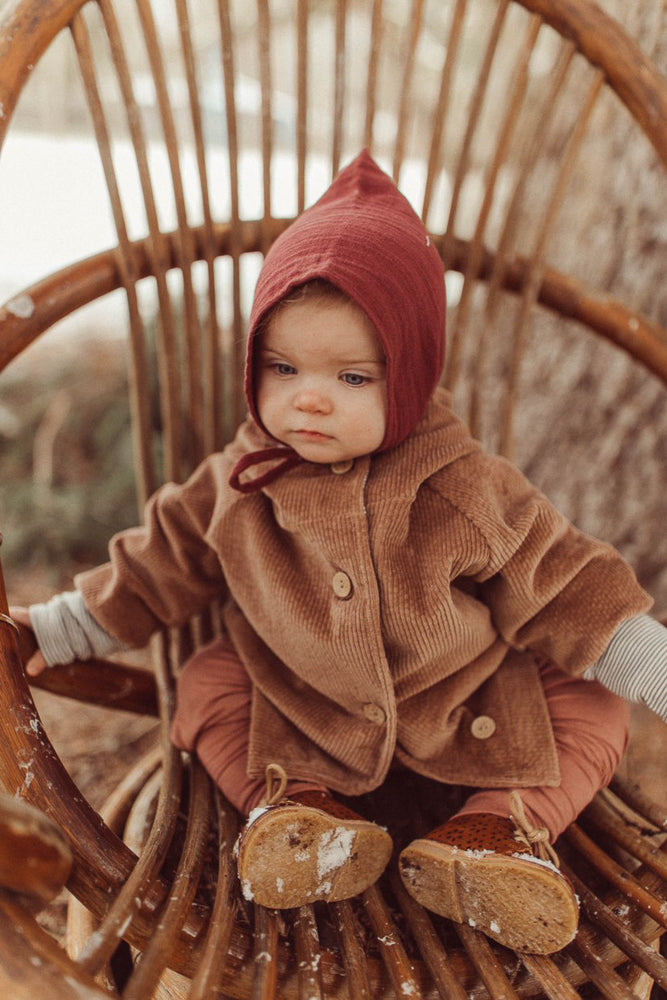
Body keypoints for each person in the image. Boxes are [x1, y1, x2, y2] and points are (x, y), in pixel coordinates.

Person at [14, 150, 666, 955]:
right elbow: (149, 574)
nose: (308, 397)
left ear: (414, 378)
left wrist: (652, 669)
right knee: (207, 679)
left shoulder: (462, 487)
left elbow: (569, 590)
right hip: (300, 722)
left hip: (467, 715)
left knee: (594, 700)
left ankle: (495, 832)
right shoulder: (237, 486)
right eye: (282, 368)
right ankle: (296, 817)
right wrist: (52, 629)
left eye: (351, 377)